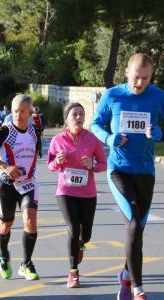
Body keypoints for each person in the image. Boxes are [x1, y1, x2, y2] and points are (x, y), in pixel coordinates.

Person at [91, 53, 164, 300]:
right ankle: (139, 292)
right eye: (135, 77)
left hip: (145, 172)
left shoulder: (159, 97)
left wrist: (162, 133)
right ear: (126, 71)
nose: (139, 83)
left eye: (145, 78)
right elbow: (95, 124)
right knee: (132, 223)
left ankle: (126, 274)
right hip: (119, 170)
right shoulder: (113, 95)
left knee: (138, 229)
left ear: (151, 76)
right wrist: (109, 138)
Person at [0, 94, 42, 281]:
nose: (18, 115)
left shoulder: (34, 132)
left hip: (27, 183)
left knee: (30, 221)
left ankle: (26, 263)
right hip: (6, 185)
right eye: (15, 111)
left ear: (30, 112)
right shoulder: (4, 131)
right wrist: (5, 167)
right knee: (6, 224)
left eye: (22, 111)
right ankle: (3, 255)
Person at [47, 102, 107, 288]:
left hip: (88, 193)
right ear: (67, 118)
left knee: (85, 234)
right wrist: (57, 161)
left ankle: (81, 243)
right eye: (75, 114)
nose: (79, 117)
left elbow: (103, 164)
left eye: (82, 114)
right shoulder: (57, 140)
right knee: (73, 228)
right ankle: (73, 272)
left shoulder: (92, 139)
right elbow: (50, 166)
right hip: (65, 191)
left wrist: (92, 165)